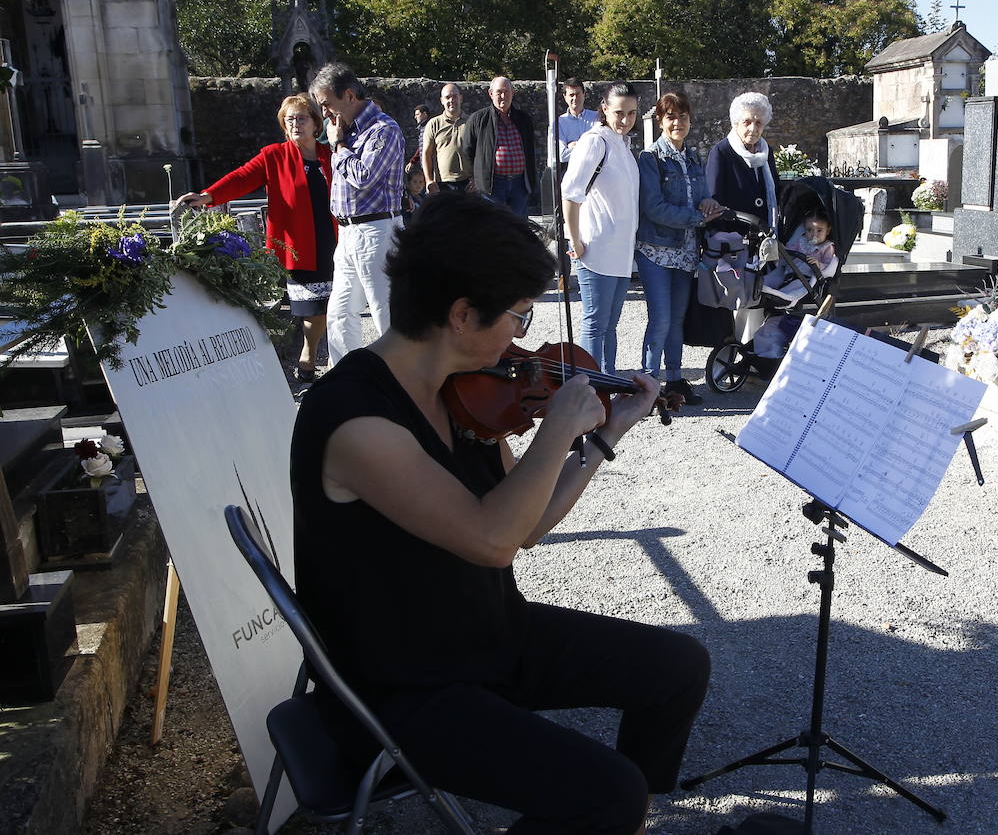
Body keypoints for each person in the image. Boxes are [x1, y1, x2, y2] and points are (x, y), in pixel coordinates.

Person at [291, 192, 710, 835]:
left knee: (677, 668)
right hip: (405, 686)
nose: (522, 336)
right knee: (607, 794)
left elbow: (528, 524)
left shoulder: (459, 393)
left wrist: (600, 440)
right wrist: (554, 433)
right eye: (517, 315)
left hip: (483, 634)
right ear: (462, 314)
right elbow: (493, 541)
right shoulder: (358, 421)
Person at [177, 94, 333, 384]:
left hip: (334, 240)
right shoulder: (275, 155)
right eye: (290, 120)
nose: (296, 124)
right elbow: (242, 177)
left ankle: (325, 357)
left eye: (301, 118)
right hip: (299, 244)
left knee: (336, 304)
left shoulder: (330, 155)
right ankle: (309, 355)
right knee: (313, 307)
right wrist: (208, 196)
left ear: (315, 122)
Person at [309, 62, 405, 365]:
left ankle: (398, 380)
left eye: (327, 104)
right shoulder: (345, 133)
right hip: (348, 232)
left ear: (349, 95)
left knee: (384, 312)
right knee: (339, 314)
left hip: (377, 231)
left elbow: (364, 176)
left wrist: (338, 145)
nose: (324, 113)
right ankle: (346, 381)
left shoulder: (383, 130)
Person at [636, 92, 724, 405]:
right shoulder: (651, 159)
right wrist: (696, 218)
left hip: (686, 252)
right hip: (656, 249)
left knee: (676, 319)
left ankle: (674, 380)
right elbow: (653, 207)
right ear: (660, 121)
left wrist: (708, 202)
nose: (678, 123)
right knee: (659, 318)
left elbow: (701, 196)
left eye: (683, 117)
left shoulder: (693, 158)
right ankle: (647, 384)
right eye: (671, 117)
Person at [561, 81, 640, 376]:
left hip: (620, 253)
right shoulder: (595, 141)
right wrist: (576, 240)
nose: (625, 120)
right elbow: (570, 191)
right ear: (604, 109)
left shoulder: (622, 146)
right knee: (594, 323)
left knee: (609, 325)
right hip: (596, 250)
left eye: (631, 113)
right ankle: (588, 390)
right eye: (619, 112)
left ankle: (606, 383)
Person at [706, 92, 777, 343]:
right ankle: (735, 352)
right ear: (735, 124)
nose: (753, 128)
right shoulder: (722, 153)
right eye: (747, 121)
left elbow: (773, 193)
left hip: (762, 240)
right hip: (734, 241)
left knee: (758, 301)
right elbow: (714, 198)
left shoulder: (766, 154)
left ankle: (752, 353)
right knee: (737, 302)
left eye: (758, 122)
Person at [463, 76, 537, 216]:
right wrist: (475, 177)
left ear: (512, 93)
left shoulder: (523, 119)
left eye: (507, 92)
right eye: (499, 92)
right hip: (492, 185)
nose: (503, 96)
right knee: (493, 228)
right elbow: (467, 150)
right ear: (491, 94)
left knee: (519, 227)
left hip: (519, 184)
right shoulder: (478, 119)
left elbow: (530, 151)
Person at [761, 210, 837, 304]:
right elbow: (791, 251)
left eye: (819, 230)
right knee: (776, 277)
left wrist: (818, 264)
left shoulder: (827, 247)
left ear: (828, 231)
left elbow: (829, 266)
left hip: (806, 278)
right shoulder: (802, 241)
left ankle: (783, 295)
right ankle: (763, 287)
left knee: (796, 285)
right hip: (790, 272)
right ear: (804, 229)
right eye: (809, 230)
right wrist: (782, 250)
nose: (814, 234)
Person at [422, 82, 471, 194]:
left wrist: (477, 179)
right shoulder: (434, 124)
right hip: (442, 184)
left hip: (468, 185)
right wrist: (429, 180)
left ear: (461, 98)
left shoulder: (471, 122)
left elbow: (480, 153)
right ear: (442, 100)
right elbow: (426, 154)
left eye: (455, 96)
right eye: (447, 97)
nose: (451, 100)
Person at [557, 77, 599, 169]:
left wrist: (576, 146)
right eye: (571, 95)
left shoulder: (597, 118)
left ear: (584, 94)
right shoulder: (559, 123)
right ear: (565, 97)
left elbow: (601, 150)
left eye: (578, 94)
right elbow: (562, 156)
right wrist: (589, 147)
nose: (575, 98)